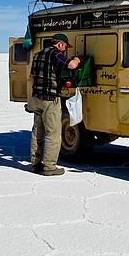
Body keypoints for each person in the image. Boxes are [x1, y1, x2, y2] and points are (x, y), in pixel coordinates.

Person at [27, 33, 80, 176]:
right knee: (53, 134)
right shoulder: (55, 54)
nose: (64, 50)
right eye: (64, 47)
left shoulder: (37, 54)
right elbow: (71, 65)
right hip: (50, 99)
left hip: (37, 98)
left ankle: (35, 164)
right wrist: (76, 60)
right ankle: (49, 167)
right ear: (60, 44)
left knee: (37, 132)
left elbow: (31, 78)